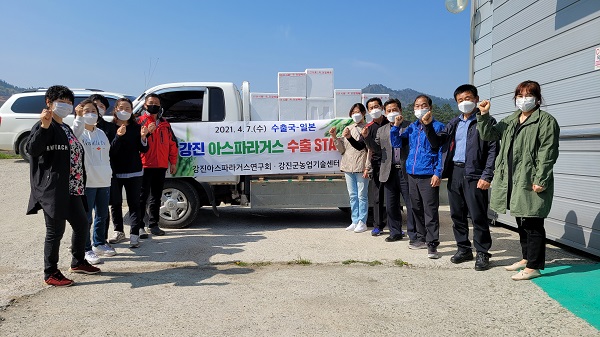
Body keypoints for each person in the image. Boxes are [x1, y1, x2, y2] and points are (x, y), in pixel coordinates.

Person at [477, 80, 559, 280]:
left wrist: (541, 178)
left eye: (528, 95)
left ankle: (534, 266)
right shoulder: (512, 119)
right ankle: (525, 258)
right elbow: (488, 134)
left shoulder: (546, 121)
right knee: (521, 220)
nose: (524, 99)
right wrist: (484, 115)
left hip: (531, 179)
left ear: (538, 98)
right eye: (520, 95)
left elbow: (547, 153)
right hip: (512, 179)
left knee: (533, 223)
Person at [27, 85, 100, 287]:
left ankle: (78, 261)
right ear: (48, 103)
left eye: (69, 102)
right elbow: (32, 149)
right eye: (62, 101)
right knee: (55, 231)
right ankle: (50, 272)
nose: (66, 105)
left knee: (82, 224)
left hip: (73, 188)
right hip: (54, 190)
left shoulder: (65, 127)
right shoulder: (44, 126)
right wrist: (43, 126)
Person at [422, 84, 498, 270]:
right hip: (456, 171)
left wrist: (487, 175)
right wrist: (428, 126)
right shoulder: (454, 123)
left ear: (476, 99)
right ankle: (463, 248)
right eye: (460, 100)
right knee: (457, 214)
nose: (464, 103)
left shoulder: (486, 121)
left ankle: (482, 252)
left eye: (468, 99)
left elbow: (492, 150)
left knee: (478, 216)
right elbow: (437, 142)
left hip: (475, 173)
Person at [390, 95, 444, 259]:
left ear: (430, 108)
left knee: (430, 210)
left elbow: (442, 151)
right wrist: (396, 126)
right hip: (412, 173)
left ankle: (432, 243)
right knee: (416, 208)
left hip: (428, 174)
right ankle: (421, 238)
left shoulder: (438, 126)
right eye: (417, 106)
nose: (420, 109)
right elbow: (397, 143)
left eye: (423, 105)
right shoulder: (412, 127)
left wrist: (438, 172)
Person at [73, 99, 117, 265]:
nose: (90, 114)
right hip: (87, 182)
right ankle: (85, 249)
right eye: (86, 111)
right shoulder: (78, 131)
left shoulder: (101, 133)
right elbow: (75, 135)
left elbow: (106, 155)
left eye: (93, 111)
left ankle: (99, 243)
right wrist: (78, 117)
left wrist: (108, 174)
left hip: (103, 180)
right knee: (86, 218)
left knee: (102, 215)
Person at [107, 98, 150, 248]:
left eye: (128, 108)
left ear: (132, 111)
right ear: (116, 110)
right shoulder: (109, 127)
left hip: (134, 171)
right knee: (116, 203)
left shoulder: (137, 127)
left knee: (134, 203)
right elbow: (110, 152)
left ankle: (134, 233)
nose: (124, 111)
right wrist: (118, 136)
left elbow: (143, 149)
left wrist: (144, 137)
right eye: (121, 108)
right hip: (115, 172)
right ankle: (118, 231)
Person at [137, 94, 178, 237]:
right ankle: (139, 226)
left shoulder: (165, 124)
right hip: (144, 165)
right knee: (141, 197)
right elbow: (134, 144)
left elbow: (173, 144)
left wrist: (173, 162)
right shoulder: (139, 122)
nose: (153, 105)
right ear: (144, 105)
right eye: (151, 103)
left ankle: (153, 224)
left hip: (161, 165)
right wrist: (146, 133)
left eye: (156, 103)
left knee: (156, 196)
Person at [375, 98, 414, 243]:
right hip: (388, 171)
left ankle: (413, 233)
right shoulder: (381, 130)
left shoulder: (410, 126)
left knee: (411, 204)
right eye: (389, 111)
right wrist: (366, 138)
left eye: (394, 110)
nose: (392, 113)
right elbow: (375, 148)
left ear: (401, 111)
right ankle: (395, 232)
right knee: (391, 205)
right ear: (385, 113)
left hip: (405, 171)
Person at [330, 103, 370, 233]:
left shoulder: (367, 128)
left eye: (358, 112)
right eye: (353, 112)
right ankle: (354, 220)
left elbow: (368, 149)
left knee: (362, 195)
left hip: (361, 166)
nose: (355, 114)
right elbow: (342, 150)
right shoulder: (348, 128)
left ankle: (362, 222)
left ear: (364, 113)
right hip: (348, 166)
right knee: (353, 195)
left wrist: (367, 168)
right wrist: (335, 137)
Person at [360, 98, 387, 236]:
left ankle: (396, 226)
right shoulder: (369, 128)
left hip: (393, 165)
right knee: (377, 197)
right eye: (371, 108)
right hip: (377, 165)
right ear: (368, 111)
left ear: (382, 107)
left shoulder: (391, 123)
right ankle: (378, 226)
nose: (374, 109)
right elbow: (361, 146)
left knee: (392, 197)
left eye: (376, 106)